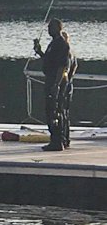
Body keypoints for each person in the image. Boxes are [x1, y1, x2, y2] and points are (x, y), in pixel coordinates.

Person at [33, 19, 70, 151]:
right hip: (51, 79)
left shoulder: (62, 44)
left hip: (56, 81)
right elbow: (49, 60)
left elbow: (62, 66)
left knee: (55, 111)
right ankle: (58, 139)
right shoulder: (53, 44)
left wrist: (57, 84)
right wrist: (40, 51)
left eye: (50, 27)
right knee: (51, 110)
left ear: (57, 28)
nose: (48, 29)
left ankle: (58, 141)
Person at [61, 31, 77, 149]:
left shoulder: (65, 53)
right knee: (65, 112)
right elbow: (75, 66)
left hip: (64, 85)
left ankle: (63, 137)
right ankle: (66, 137)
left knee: (61, 112)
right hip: (69, 84)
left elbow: (64, 68)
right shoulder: (72, 53)